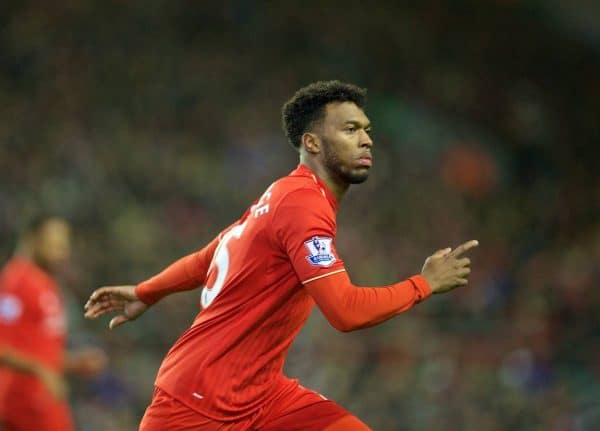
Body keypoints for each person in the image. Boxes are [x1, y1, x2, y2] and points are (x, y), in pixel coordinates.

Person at [84, 81, 478, 430]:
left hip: (262, 396)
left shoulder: (283, 194)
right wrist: (424, 284)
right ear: (312, 143)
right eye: (350, 129)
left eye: (367, 130)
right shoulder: (302, 205)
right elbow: (345, 311)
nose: (367, 139)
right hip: (196, 405)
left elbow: (211, 255)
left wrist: (146, 291)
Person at [0, 216, 107, 431]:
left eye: (63, 246)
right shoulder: (17, 281)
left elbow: (38, 351)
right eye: (54, 244)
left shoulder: (45, 283)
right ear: (32, 240)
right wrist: (40, 370)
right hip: (23, 400)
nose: (62, 253)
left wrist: (74, 363)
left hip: (43, 398)